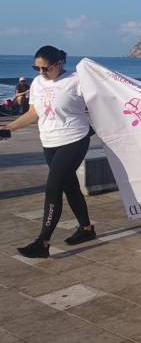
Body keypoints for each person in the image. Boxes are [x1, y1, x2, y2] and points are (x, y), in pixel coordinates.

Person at [0, 46, 98, 258]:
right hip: (49, 141)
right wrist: (9, 128)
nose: (41, 72)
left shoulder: (76, 80)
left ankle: (43, 242)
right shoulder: (37, 83)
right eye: (37, 68)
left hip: (74, 139)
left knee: (53, 188)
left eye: (46, 68)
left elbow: (102, 103)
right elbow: (34, 113)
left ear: (58, 64)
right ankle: (87, 229)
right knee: (69, 186)